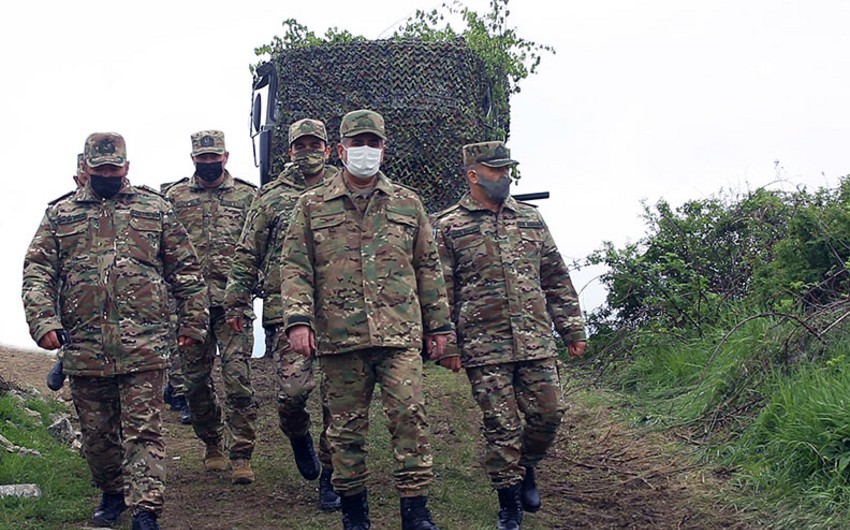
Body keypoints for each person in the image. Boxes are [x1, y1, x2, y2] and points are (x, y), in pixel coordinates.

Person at [22, 132, 209, 530]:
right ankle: (111, 494)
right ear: (86, 168)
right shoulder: (61, 215)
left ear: (126, 166)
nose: (107, 174)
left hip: (144, 345)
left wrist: (194, 321)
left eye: (114, 167)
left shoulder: (154, 210)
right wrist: (43, 320)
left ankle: (145, 509)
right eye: (99, 168)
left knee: (143, 431)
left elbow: (187, 271)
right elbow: (37, 271)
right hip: (86, 347)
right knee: (98, 436)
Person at [280, 109, 451, 530]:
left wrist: (441, 326)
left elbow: (428, 267)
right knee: (345, 430)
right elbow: (295, 267)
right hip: (340, 337)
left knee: (410, 415)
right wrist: (299, 320)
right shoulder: (311, 204)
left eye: (372, 143)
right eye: (357, 143)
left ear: (383, 150)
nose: (365, 151)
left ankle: (415, 510)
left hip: (399, 333)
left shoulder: (408, 204)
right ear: (340, 150)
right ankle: (354, 511)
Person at [432, 141, 587, 530]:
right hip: (484, 346)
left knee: (549, 415)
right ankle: (509, 506)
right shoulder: (450, 225)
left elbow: (555, 278)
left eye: (507, 170)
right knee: (501, 427)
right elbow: (439, 291)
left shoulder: (531, 219)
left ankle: (527, 466)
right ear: (473, 175)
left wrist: (571, 329)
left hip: (535, 339)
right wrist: (446, 342)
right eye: (497, 170)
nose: (506, 176)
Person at [224, 118, 341, 509]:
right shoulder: (270, 197)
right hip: (287, 312)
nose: (308, 151)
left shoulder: (343, 189)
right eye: (300, 145)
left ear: (327, 148)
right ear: (289, 150)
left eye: (315, 144)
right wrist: (236, 301)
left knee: (337, 401)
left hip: (341, 310)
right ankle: (297, 433)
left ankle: (331, 475)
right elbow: (246, 254)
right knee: (292, 394)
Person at [162, 130, 259, 485]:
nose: (208, 163)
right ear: (193, 159)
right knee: (195, 384)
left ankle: (242, 453)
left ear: (225, 156)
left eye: (213, 157)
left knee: (237, 381)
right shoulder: (174, 197)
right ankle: (212, 443)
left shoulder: (248, 196)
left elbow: (257, 246)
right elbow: (164, 249)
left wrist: (250, 287)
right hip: (190, 307)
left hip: (232, 305)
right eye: (201, 158)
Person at [46, 153, 89, 392]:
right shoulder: (63, 211)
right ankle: (66, 361)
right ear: (77, 177)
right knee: (74, 329)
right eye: (86, 174)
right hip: (74, 286)